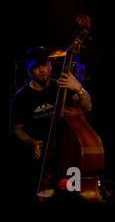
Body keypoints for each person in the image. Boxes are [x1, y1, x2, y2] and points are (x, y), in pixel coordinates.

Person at [11, 46, 92, 201]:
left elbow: (87, 107)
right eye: (36, 67)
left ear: (49, 65)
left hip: (65, 158)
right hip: (38, 160)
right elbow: (18, 129)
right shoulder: (21, 96)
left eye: (44, 65)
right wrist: (32, 142)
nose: (41, 70)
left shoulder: (60, 87)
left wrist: (79, 89)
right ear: (29, 71)